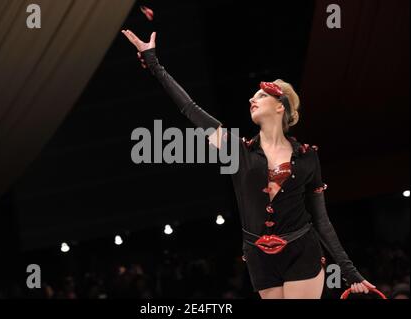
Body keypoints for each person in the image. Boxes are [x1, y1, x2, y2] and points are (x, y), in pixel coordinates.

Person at [121, 29, 376, 299]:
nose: (252, 99)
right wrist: (154, 64)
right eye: (254, 96)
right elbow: (190, 109)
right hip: (258, 256)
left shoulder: (307, 156)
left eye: (261, 96)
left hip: (302, 250)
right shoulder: (237, 150)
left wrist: (351, 273)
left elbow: (321, 220)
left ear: (280, 107)